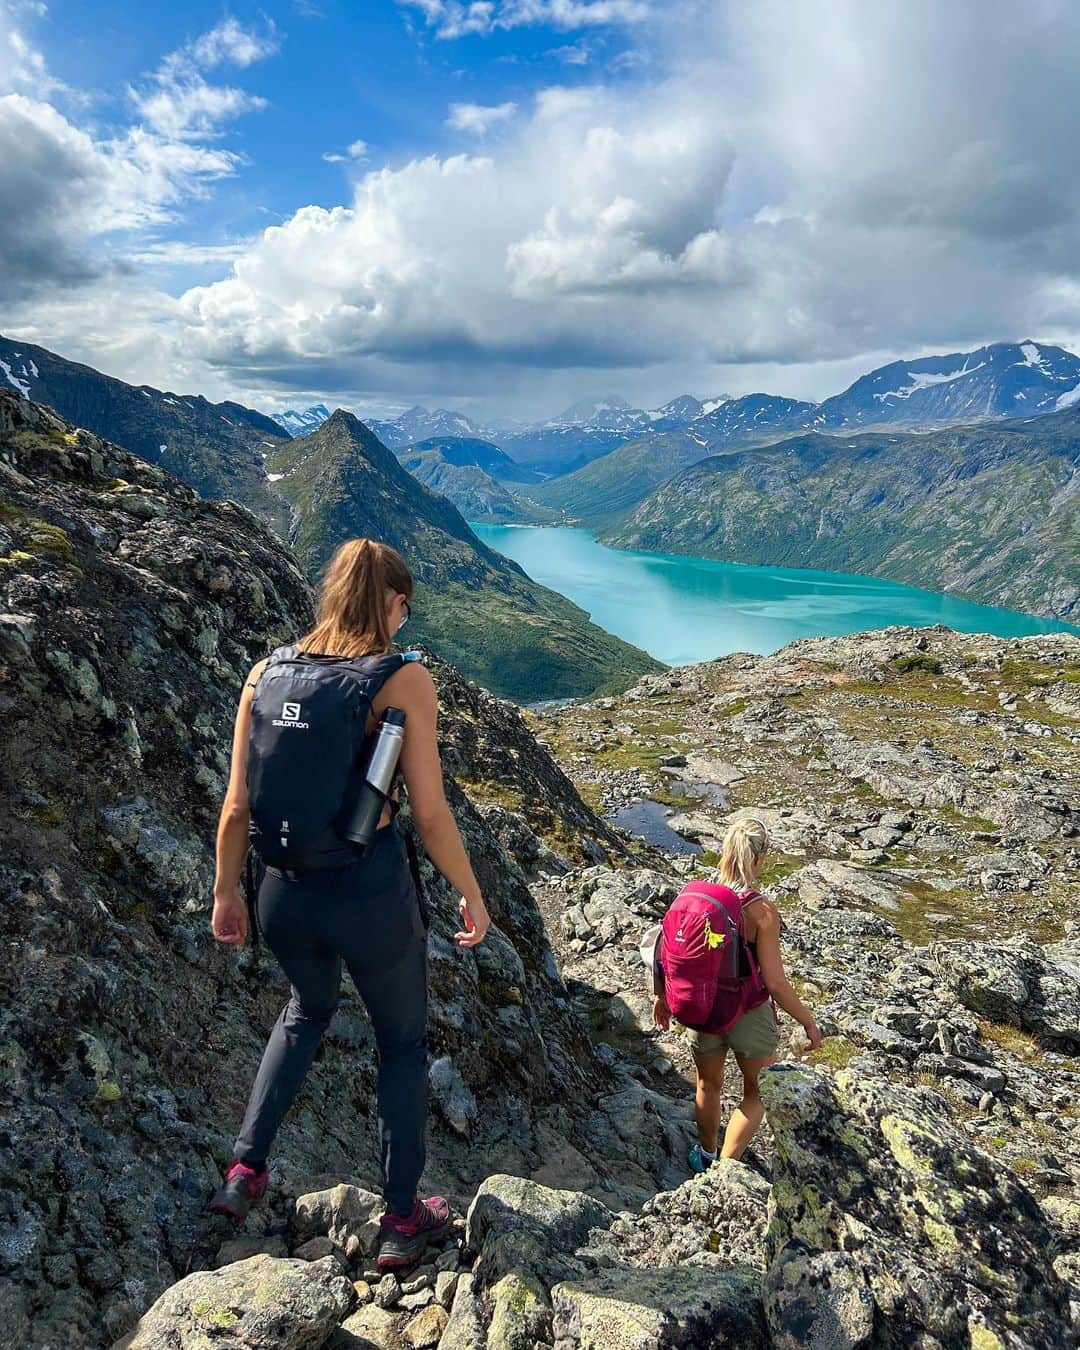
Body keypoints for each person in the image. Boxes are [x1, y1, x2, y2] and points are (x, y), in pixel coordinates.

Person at [207, 538, 491, 1270]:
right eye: (406, 605)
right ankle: (401, 1218)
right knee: (400, 1043)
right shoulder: (402, 680)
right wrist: (470, 891)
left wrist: (226, 892)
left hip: (281, 890)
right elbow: (429, 815)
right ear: (393, 602)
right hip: (367, 893)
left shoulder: (264, 673)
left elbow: (238, 804)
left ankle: (245, 1171)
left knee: (305, 1011)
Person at [652, 816, 822, 1172]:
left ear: (725, 851)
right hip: (748, 1015)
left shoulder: (696, 897)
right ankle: (724, 1174)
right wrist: (808, 1021)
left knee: (707, 1085)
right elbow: (774, 982)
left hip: (704, 1010)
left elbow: (664, 950)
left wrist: (661, 997)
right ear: (759, 859)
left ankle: (707, 1154)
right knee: (756, 1092)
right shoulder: (762, 912)